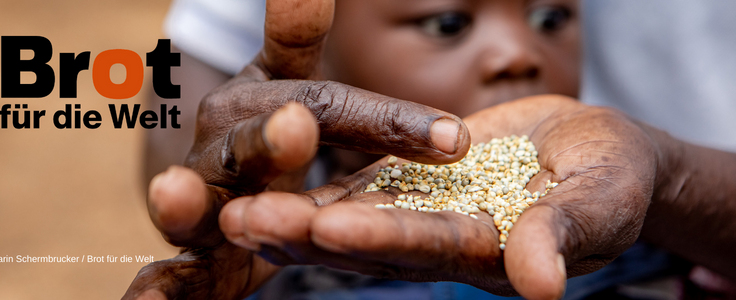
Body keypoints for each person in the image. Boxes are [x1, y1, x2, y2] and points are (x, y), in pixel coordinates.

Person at [127, 0, 736, 299]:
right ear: (326, 63)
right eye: (448, 24)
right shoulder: (291, 270)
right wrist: (235, 170)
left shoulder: (648, 254)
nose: (518, 52)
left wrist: (672, 182)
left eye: (550, 15)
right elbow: (192, 66)